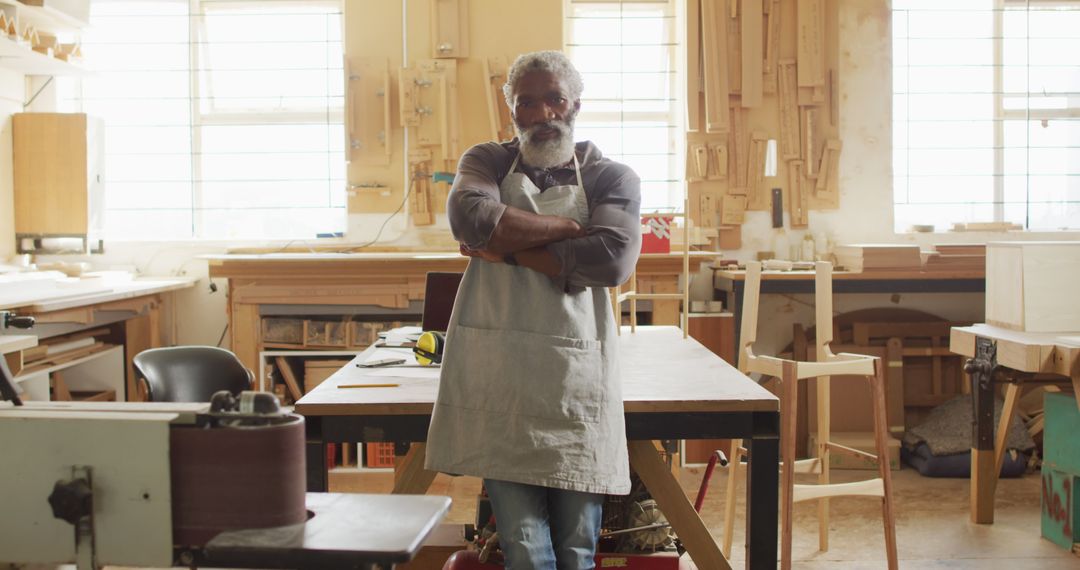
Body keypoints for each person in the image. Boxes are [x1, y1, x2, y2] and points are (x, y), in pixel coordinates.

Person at [424, 50, 642, 570]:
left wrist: (510, 249)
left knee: (577, 549)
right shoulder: (488, 160)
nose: (543, 113)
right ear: (512, 111)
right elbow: (471, 218)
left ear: (575, 106)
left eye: (555, 99)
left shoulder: (612, 175)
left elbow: (612, 259)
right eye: (527, 102)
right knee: (523, 547)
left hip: (576, 380)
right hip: (502, 375)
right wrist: (568, 233)